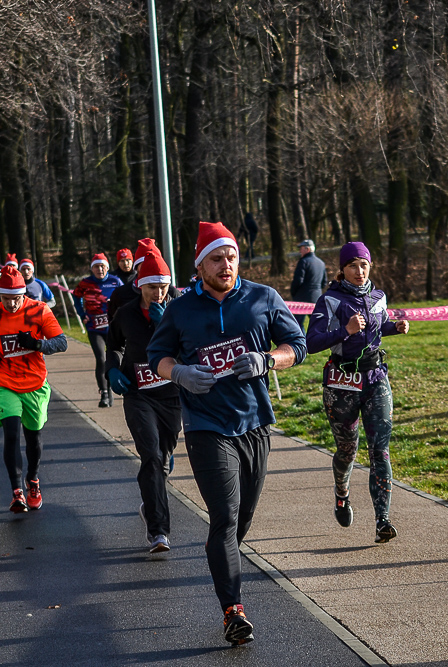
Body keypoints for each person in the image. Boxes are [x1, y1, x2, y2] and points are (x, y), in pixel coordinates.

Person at [147, 221, 307, 645]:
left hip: (254, 423)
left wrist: (267, 360)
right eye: (217, 258)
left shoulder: (262, 297)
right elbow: (157, 354)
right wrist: (179, 373)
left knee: (241, 520)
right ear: (200, 266)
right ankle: (233, 611)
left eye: (232, 256)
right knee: (225, 516)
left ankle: (220, 552)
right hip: (206, 427)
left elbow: (298, 346)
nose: (226, 264)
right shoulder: (181, 309)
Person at [306, 241, 409, 543]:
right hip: (342, 384)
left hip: (375, 379)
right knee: (347, 450)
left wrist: (394, 327)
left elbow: (377, 327)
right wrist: (345, 331)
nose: (359, 271)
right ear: (342, 269)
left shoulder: (379, 296)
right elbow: (311, 343)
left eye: (364, 265)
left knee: (380, 450)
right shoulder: (330, 300)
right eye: (353, 266)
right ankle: (342, 493)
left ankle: (382, 520)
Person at [106, 252, 181, 554]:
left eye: (163, 286)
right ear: (140, 285)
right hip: (138, 393)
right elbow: (113, 344)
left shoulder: (178, 309)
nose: (158, 293)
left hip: (171, 394)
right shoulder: (126, 313)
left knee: (163, 457)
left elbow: (191, 348)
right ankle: (158, 531)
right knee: (150, 454)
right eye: (152, 287)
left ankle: (150, 503)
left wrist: (167, 327)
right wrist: (112, 369)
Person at [0, 265, 68, 512]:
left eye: (15, 298)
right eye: (5, 299)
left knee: (33, 437)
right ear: (0, 296)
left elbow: (61, 342)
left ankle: (33, 480)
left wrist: (37, 344)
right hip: (4, 382)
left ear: (23, 293)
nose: (11, 304)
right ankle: (16, 492)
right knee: (11, 433)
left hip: (34, 384)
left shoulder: (39, 310)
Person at [72, 253, 123, 408]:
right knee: (101, 358)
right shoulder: (85, 283)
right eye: (96, 266)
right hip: (94, 328)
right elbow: (76, 297)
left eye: (102, 266)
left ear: (107, 267)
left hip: (113, 328)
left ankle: (114, 387)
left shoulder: (115, 281)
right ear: (92, 268)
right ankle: (104, 393)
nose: (100, 269)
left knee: (116, 358)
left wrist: (120, 313)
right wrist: (82, 314)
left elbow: (125, 297)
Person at [108, 238, 161, 316]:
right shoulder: (113, 280)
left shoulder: (170, 292)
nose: (125, 264)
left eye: (128, 260)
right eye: (122, 261)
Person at [290, 239, 328, 330]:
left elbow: (298, 280)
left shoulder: (303, 262)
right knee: (317, 324)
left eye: (301, 248)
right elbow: (324, 282)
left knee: (298, 324)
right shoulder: (321, 263)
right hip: (316, 297)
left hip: (302, 298)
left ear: (307, 249)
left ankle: (302, 339)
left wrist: (293, 292)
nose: (300, 251)